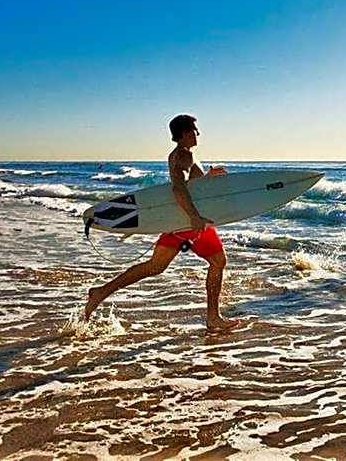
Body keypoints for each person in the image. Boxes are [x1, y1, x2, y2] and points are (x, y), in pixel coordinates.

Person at [84, 114, 240, 331]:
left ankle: (101, 291)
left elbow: (191, 186)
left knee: (155, 266)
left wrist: (208, 177)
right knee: (217, 262)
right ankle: (213, 318)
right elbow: (178, 188)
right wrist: (194, 217)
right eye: (195, 130)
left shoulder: (181, 155)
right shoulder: (183, 156)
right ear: (186, 133)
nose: (198, 134)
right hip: (189, 221)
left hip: (179, 220)